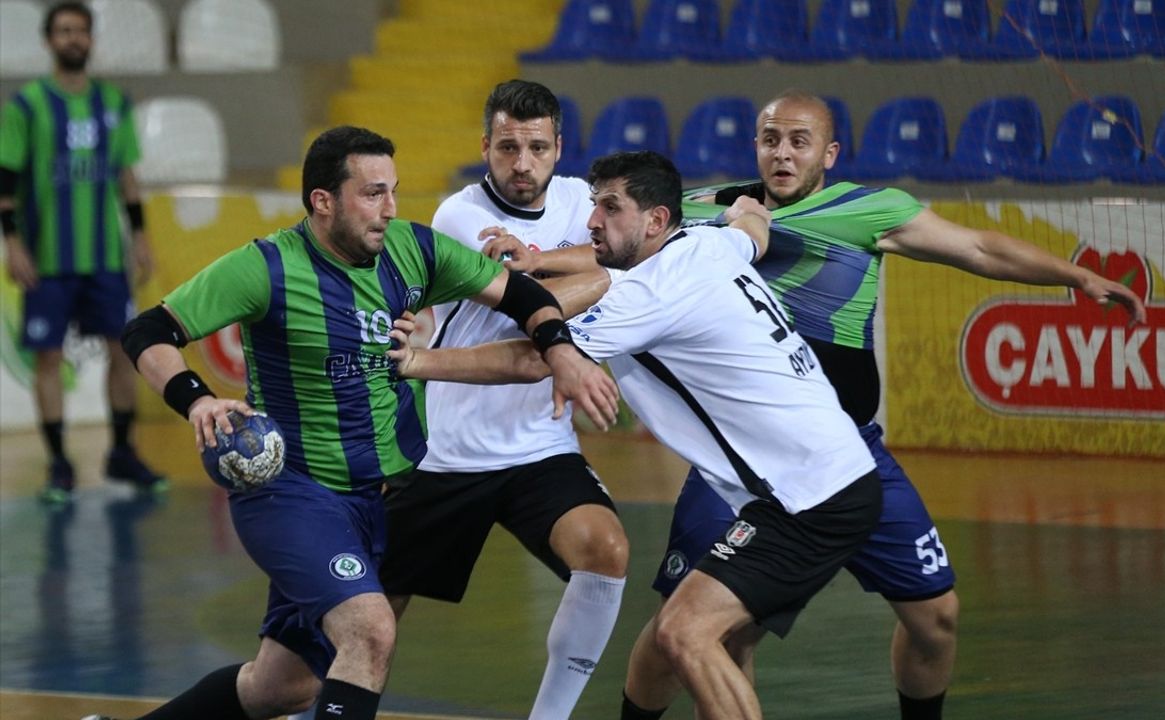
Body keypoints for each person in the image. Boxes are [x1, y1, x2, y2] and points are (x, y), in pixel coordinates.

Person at [495, 90, 1147, 719]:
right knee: (695, 633)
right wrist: (537, 262)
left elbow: (978, 247)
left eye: (799, 142)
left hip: (848, 457)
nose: (782, 154)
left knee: (937, 617)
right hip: (742, 468)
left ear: (829, 153)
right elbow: (615, 250)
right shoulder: (717, 208)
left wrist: (1075, 275)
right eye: (771, 139)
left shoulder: (868, 211)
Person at [88, 125, 618, 720]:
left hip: (372, 499)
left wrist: (559, 349)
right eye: (372, 194)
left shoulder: (413, 250)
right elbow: (148, 331)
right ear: (323, 201)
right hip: (291, 494)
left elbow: (518, 294)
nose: (389, 210)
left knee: (281, 687)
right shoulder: (266, 268)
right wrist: (198, 400)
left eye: (392, 192)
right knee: (370, 632)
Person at [390, 149, 887, 719]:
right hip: (812, 483)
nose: (592, 221)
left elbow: (535, 360)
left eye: (610, 208)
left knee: (685, 633)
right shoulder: (706, 244)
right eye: (594, 205)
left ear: (654, 221)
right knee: (657, 652)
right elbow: (754, 231)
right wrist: (748, 211)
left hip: (810, 498)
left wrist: (416, 364)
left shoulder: (653, 290)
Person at [377, 80, 627, 720]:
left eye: (538, 147)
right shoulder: (461, 216)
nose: (522, 164)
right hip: (449, 453)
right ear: (485, 146)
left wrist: (540, 258)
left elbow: (615, 256)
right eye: (508, 147)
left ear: (558, 147)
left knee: (605, 549)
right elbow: (524, 313)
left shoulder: (579, 201)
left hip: (540, 448)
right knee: (373, 613)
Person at [0, 1, 163, 505]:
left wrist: (139, 237)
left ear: (91, 40)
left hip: (105, 261)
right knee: (47, 359)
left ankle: (121, 452)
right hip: (48, 261)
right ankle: (59, 461)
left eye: (81, 31)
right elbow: (6, 182)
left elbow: (127, 178)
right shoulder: (25, 107)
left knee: (124, 351)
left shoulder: (113, 104)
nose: (73, 38)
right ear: (49, 41)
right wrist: (12, 242)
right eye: (64, 30)